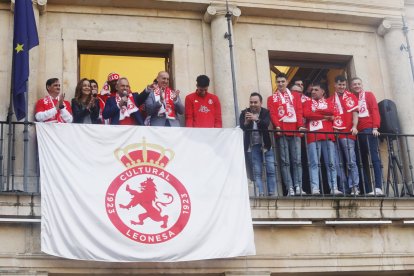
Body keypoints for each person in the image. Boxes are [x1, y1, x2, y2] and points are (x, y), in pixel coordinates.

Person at [267, 73, 306, 196]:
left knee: (297, 161)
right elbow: (272, 113)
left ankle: (298, 186)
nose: (280, 84)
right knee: (285, 161)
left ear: (287, 82)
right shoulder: (271, 98)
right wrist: (277, 125)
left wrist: (300, 125)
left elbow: (299, 111)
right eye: (278, 82)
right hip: (282, 131)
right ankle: (289, 187)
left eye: (282, 81)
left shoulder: (295, 95)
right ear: (275, 83)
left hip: (295, 131)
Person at [303, 83, 342, 195]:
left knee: (331, 163)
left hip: (328, 135)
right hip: (313, 136)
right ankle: (315, 188)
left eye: (316, 90)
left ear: (323, 92)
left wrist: (316, 113)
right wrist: (325, 117)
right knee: (314, 163)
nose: (313, 92)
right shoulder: (307, 102)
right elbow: (307, 114)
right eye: (312, 90)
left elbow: (332, 112)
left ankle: (334, 187)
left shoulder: (329, 102)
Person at [351, 77, 383, 196]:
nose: (357, 86)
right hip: (357, 132)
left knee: (374, 158)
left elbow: (375, 110)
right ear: (351, 86)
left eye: (358, 83)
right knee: (360, 161)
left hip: (369, 129)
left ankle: (378, 187)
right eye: (354, 84)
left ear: (362, 84)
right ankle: (368, 189)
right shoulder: (352, 98)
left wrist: (375, 127)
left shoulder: (369, 95)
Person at [240, 92, 277, 197]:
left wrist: (256, 119)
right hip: (253, 146)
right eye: (251, 102)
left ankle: (271, 193)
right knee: (257, 172)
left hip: (266, 144)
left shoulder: (265, 112)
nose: (253, 104)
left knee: (271, 170)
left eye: (255, 102)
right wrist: (246, 123)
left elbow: (265, 124)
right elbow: (242, 127)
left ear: (261, 103)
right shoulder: (244, 113)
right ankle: (260, 193)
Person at [329, 75, 359, 195]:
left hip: (348, 134)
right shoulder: (330, 100)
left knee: (351, 161)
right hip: (335, 135)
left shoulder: (351, 96)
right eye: (339, 84)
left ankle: (354, 187)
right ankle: (344, 187)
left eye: (343, 84)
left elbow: (355, 113)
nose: (341, 87)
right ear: (335, 85)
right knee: (337, 163)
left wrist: (355, 126)